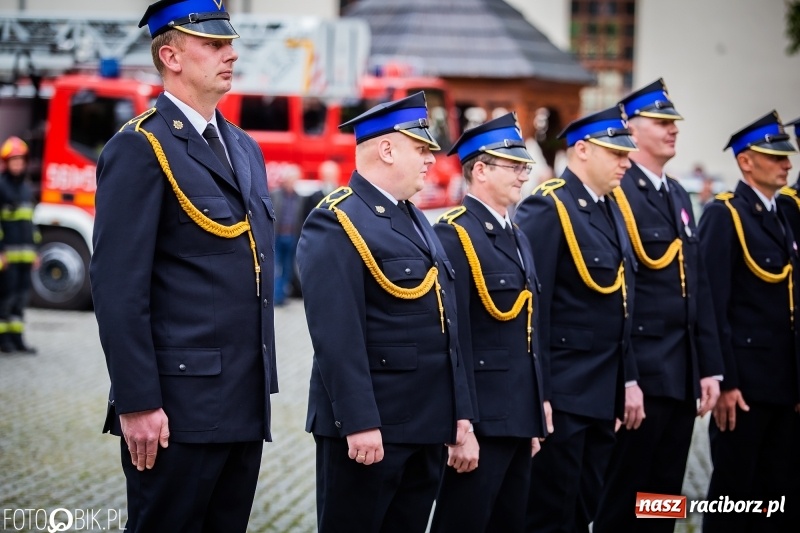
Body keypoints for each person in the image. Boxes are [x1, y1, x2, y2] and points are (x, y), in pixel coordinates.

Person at [89, 1, 277, 531]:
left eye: (229, 44)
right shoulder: (141, 147)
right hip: (177, 408)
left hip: (243, 399)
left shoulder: (242, 147)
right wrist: (137, 402)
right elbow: (118, 289)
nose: (231, 54)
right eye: (214, 46)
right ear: (170, 56)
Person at [296, 91, 473, 532]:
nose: (431, 159)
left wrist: (458, 413)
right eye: (421, 148)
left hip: (425, 425)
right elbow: (337, 336)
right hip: (373, 430)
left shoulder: (415, 217)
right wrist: (358, 422)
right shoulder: (337, 219)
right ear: (388, 149)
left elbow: (447, 327)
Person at [593, 79, 723, 533]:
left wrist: (709, 366)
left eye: (674, 123)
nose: (673, 130)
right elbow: (616, 294)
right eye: (661, 122)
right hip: (643, 373)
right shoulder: (619, 193)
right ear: (629, 126)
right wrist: (625, 375)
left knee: (663, 497)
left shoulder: (677, 196)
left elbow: (697, 287)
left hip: (681, 372)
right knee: (624, 495)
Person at [515, 105, 640, 533]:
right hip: (564, 395)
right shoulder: (549, 207)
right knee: (550, 513)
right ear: (582, 150)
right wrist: (540, 395)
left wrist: (627, 379)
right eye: (616, 153)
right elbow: (534, 311)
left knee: (585, 508)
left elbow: (621, 307)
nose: (626, 161)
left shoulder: (610, 209)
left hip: (602, 394)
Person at [429, 112, 552, 532]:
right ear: (479, 170)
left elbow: (530, 333)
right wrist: (461, 427)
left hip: (517, 415)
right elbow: (454, 340)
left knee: (508, 523)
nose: (523, 175)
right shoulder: (456, 234)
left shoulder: (517, 234)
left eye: (524, 167)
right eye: (513, 166)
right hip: (482, 420)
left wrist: (535, 410)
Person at [698, 111, 800, 532]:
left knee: (777, 494)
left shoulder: (786, 215)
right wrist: (725, 381)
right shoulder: (726, 214)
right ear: (746, 162)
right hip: (745, 388)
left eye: (786, 156)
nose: (786, 164)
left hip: (784, 384)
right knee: (734, 498)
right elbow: (713, 304)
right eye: (774, 156)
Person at [0, 136, 38, 354]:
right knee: (6, 298)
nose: (17, 164)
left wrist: (36, 251)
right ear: (6, 163)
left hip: (26, 256)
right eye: (13, 160)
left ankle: (17, 338)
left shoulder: (25, 189)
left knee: (21, 299)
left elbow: (31, 223)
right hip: (7, 258)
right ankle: (3, 340)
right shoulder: (2, 187)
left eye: (20, 160)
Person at [271, 163, 304, 305]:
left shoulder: (299, 198)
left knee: (288, 267)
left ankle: (282, 296)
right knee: (275, 267)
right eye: (290, 179)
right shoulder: (275, 195)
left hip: (292, 236)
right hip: (277, 236)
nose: (291, 182)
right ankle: (276, 296)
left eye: (294, 179)